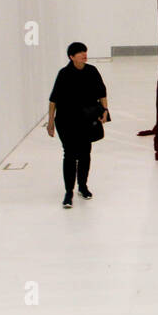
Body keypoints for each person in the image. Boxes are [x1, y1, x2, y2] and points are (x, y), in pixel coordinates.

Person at [46, 42, 109, 209]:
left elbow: (102, 92)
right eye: (80, 53)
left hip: (87, 119)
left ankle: (83, 186)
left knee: (85, 152)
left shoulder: (92, 71)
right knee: (70, 154)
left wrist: (105, 110)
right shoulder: (64, 74)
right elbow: (53, 100)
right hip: (67, 120)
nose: (84, 55)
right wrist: (51, 121)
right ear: (71, 57)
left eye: (85, 52)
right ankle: (68, 192)